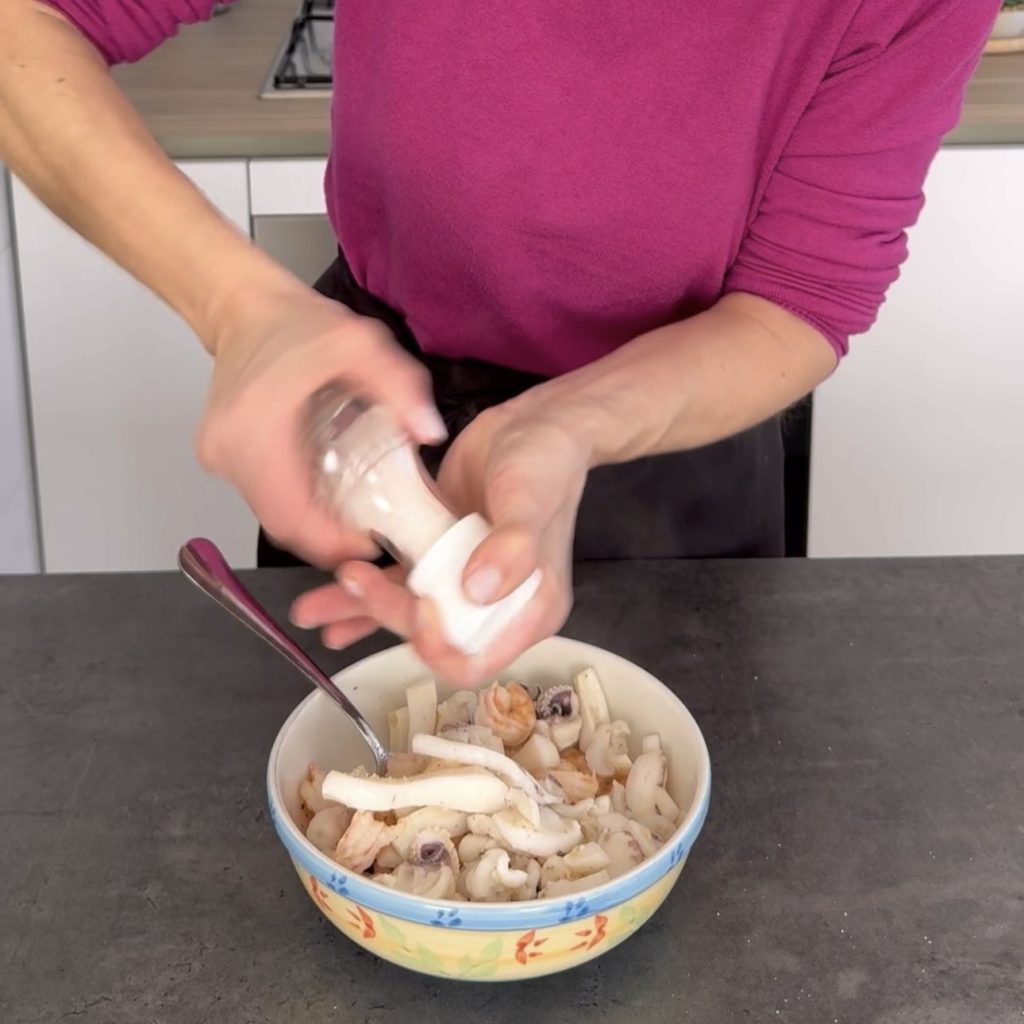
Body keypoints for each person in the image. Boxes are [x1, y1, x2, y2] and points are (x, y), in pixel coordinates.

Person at [1, 1, 998, 685]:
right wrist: (238, 310)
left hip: (671, 444)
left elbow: (799, 298)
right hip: (367, 416)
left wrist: (561, 428)